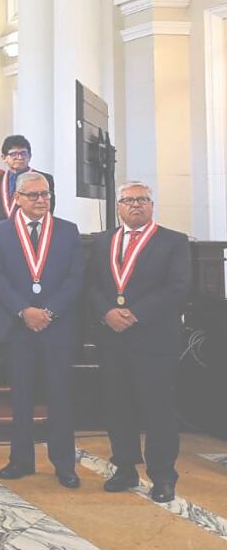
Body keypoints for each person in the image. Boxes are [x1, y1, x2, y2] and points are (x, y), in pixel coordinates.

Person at [86, 182, 191, 503]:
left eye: (142, 199)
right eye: (128, 200)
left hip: (154, 337)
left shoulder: (173, 241)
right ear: (118, 207)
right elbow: (90, 284)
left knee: (157, 407)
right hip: (113, 338)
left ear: (151, 205)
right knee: (118, 405)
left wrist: (135, 313)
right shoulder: (103, 241)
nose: (135, 205)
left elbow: (178, 286)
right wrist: (107, 312)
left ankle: (162, 476)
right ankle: (125, 468)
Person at [0, 171, 84, 488]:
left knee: (61, 397)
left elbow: (75, 279)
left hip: (57, 328)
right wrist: (23, 310)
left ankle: (64, 464)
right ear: (17, 198)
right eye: (33, 195)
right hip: (17, 328)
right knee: (21, 398)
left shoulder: (68, 231)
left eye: (45, 194)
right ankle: (21, 460)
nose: (41, 200)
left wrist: (48, 311)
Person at [0, 134, 56, 226]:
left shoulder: (44, 179)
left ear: (30, 156)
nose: (19, 157)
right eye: (14, 154)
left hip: (30, 231)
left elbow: (47, 208)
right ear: (4, 157)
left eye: (23, 153)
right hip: (0, 232)